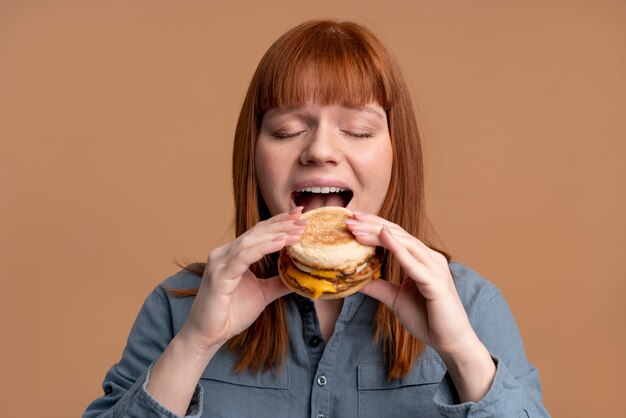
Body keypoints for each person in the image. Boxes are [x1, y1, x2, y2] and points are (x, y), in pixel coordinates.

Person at [84, 20, 550, 417]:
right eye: (288, 130)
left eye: (358, 130)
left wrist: (462, 352)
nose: (321, 151)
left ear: (395, 153)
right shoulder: (179, 309)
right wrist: (195, 345)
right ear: (253, 153)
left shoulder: (469, 305)